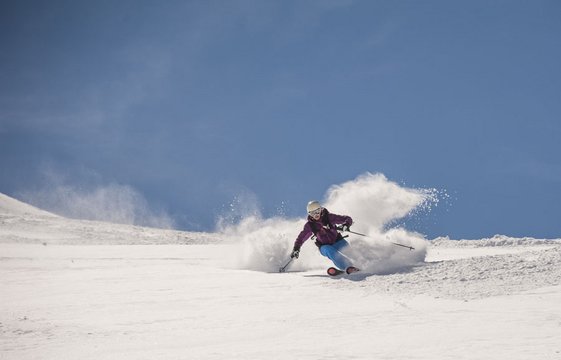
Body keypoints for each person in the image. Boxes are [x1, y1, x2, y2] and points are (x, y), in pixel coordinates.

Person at [290, 200, 359, 275]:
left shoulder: (329, 217)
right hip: (324, 246)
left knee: (349, 251)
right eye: (312, 213)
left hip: (337, 241)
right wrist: (296, 248)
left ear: (321, 209)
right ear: (309, 214)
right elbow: (302, 237)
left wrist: (345, 225)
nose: (316, 215)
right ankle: (347, 267)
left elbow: (347, 219)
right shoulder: (310, 225)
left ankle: (362, 264)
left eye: (317, 211)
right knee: (329, 250)